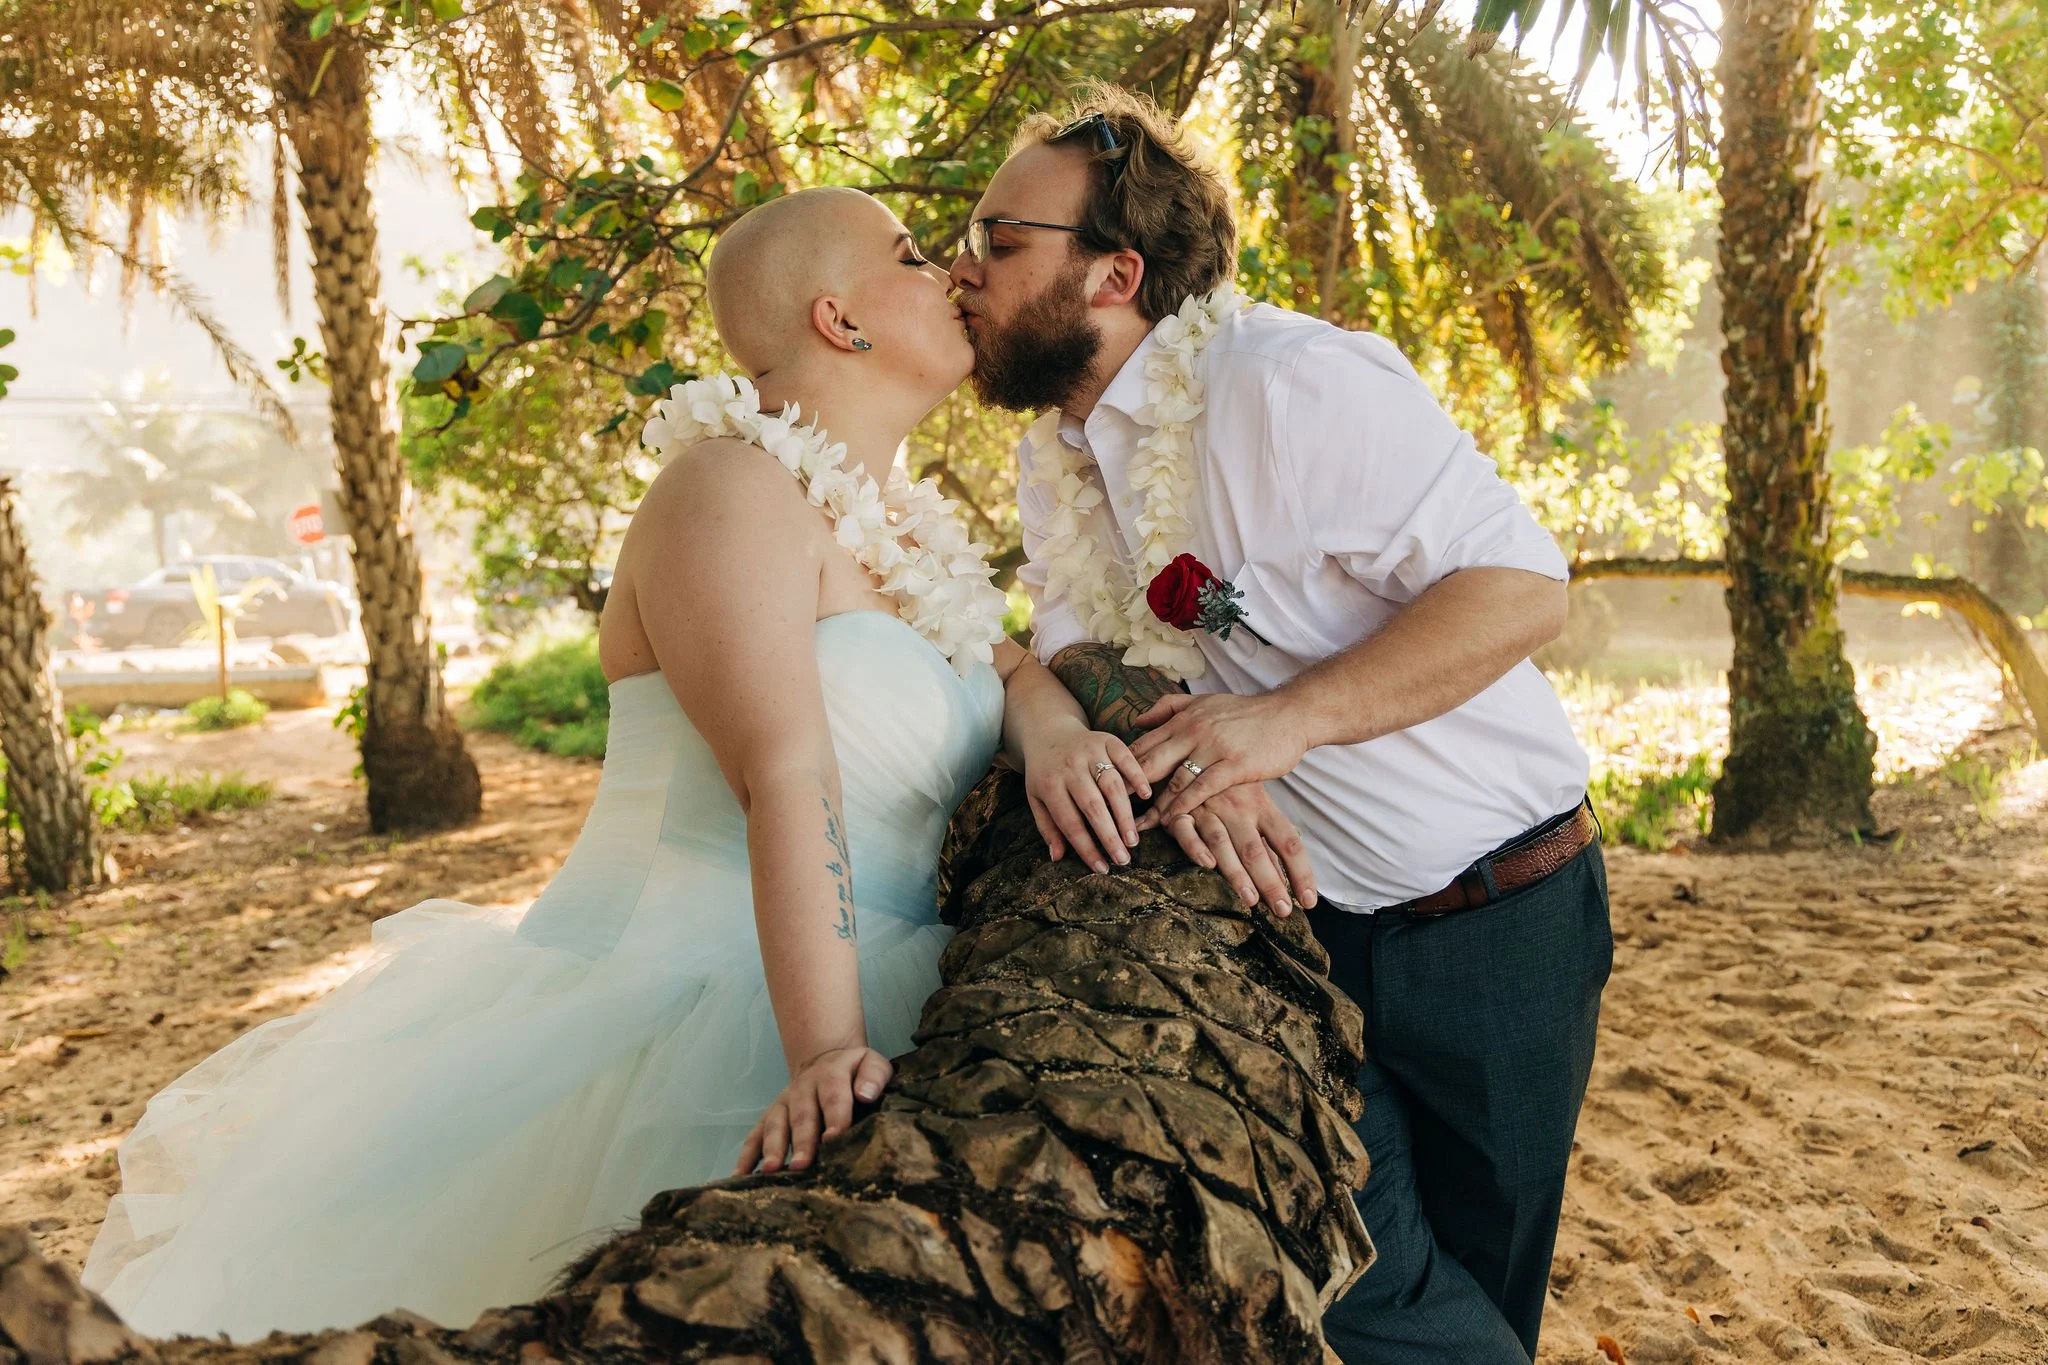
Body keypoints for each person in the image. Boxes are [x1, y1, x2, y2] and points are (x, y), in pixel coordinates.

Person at [82, 186, 1144, 1342]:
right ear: (838, 319)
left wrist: (1049, 732)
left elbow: (1000, 665)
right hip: (689, 1006)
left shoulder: (902, 532)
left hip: (890, 983)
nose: (949, 270)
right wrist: (826, 1052)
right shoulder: (726, 488)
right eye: (910, 254)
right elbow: (784, 773)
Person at [954, 86, 1611, 1364]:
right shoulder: (1055, 452)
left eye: (997, 238)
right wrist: (1158, 736)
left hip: (1497, 918)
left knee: (1485, 1281)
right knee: (1368, 1296)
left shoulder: (1290, 383)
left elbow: (1521, 589)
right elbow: (1077, 635)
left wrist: (1279, 724)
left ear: (1114, 273)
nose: (959, 270)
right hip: (1292, 930)